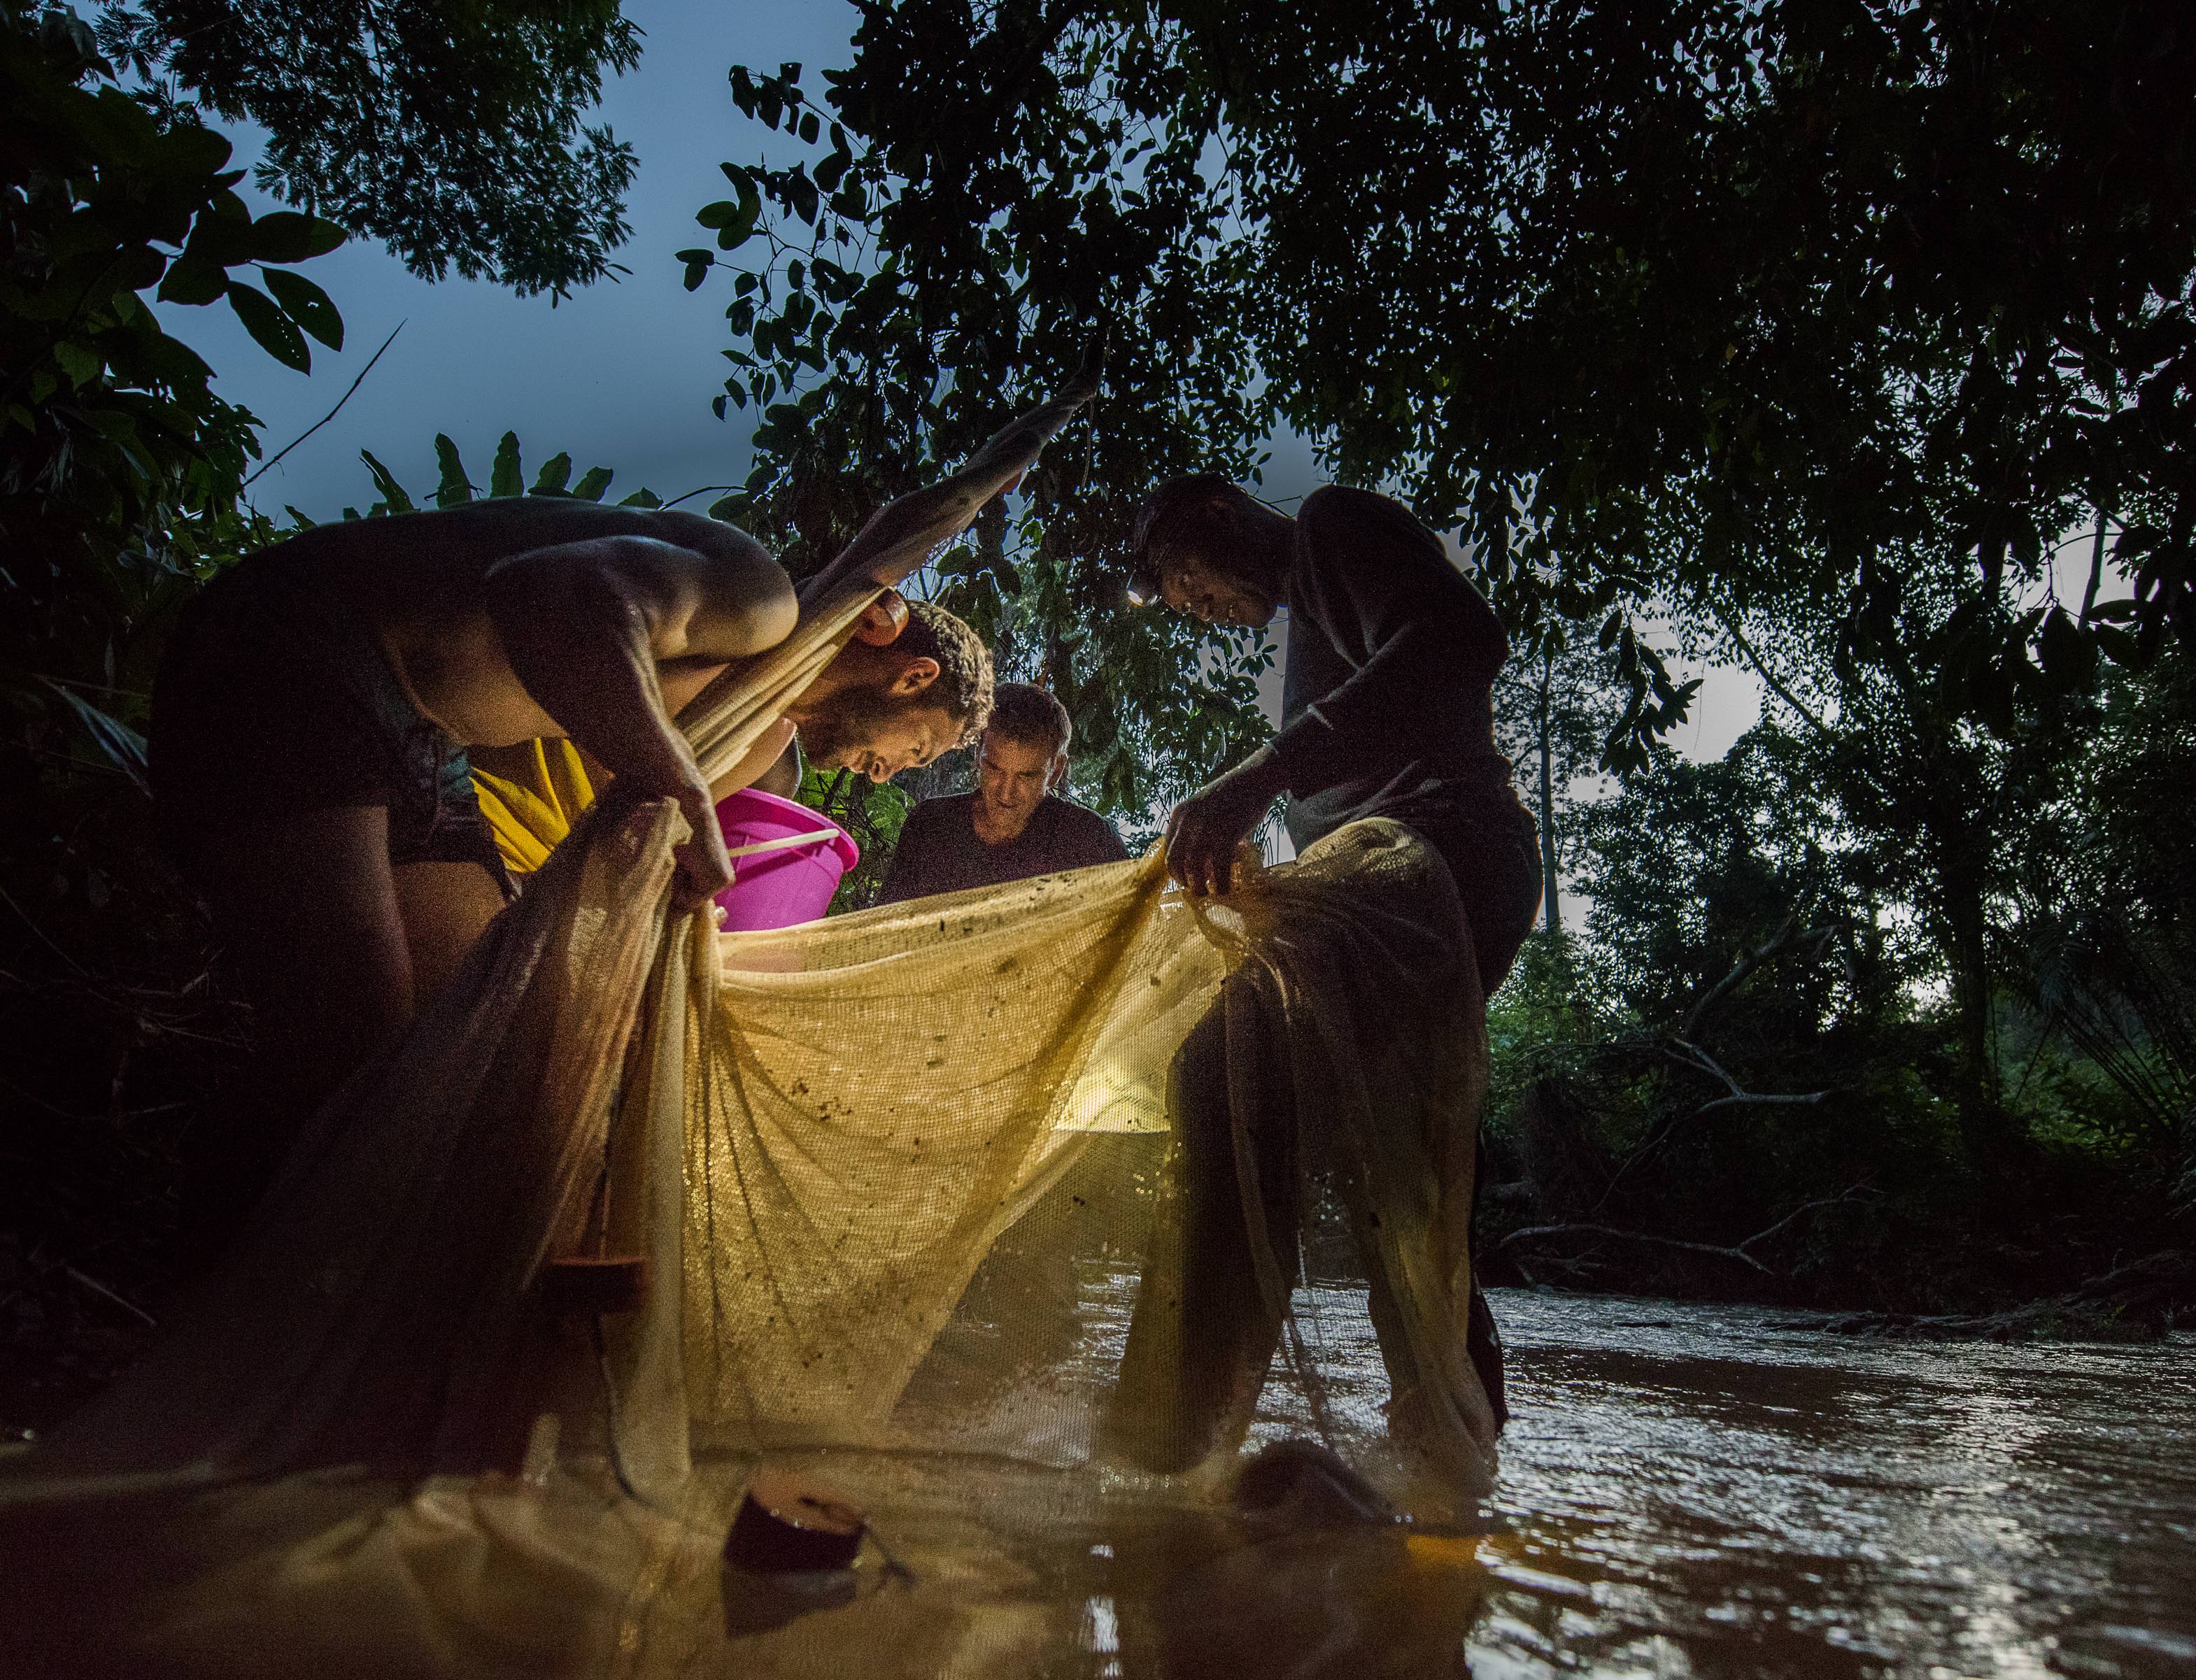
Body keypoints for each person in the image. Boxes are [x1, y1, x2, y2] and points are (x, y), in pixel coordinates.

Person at [148, 494, 994, 1242]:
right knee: (348, 1032)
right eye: (916, 749)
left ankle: (341, 1295)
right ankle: (194, 1299)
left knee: (475, 1046)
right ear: (910, 675)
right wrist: (680, 794)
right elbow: (545, 595)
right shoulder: (758, 595)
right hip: (308, 651)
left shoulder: (759, 732)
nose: (888, 772)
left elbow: (614, 822)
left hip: (426, 742)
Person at [1121, 474, 1543, 1433]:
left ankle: (1182, 1435)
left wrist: (1260, 776)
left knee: (1229, 1059)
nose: (1206, 611)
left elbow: (1462, 640)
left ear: (1221, 516)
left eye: (1192, 584)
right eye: (1190, 607)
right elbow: (1359, 765)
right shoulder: (1316, 613)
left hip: (1441, 852)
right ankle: (1451, 1433)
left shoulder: (1327, 525)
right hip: (1404, 876)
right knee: (1384, 1149)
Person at [874, 683, 1131, 905]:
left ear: (1055, 771)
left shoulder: (1089, 841)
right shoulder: (930, 825)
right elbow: (885, 926)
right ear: (978, 755)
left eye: (1027, 776)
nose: (1006, 793)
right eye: (994, 769)